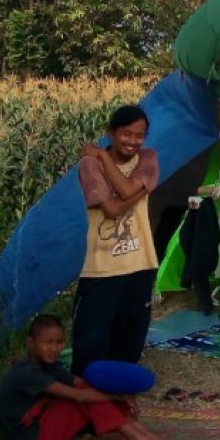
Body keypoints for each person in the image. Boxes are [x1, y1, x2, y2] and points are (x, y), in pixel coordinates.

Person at [0, 315, 181, 440]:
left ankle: (146, 435)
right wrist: (116, 397)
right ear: (31, 343)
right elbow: (79, 396)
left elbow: (79, 383)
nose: (55, 349)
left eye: (59, 342)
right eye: (48, 343)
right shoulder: (27, 371)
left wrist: (119, 392)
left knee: (92, 389)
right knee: (85, 398)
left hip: (38, 426)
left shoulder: (48, 365)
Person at [72, 105, 159, 377]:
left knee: (129, 341)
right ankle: (87, 406)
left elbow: (121, 192)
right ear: (111, 132)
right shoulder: (89, 165)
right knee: (91, 343)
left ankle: (117, 402)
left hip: (140, 264)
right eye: (126, 133)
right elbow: (110, 209)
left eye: (139, 135)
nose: (133, 141)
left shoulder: (148, 157)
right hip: (101, 268)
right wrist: (139, 193)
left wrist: (101, 153)